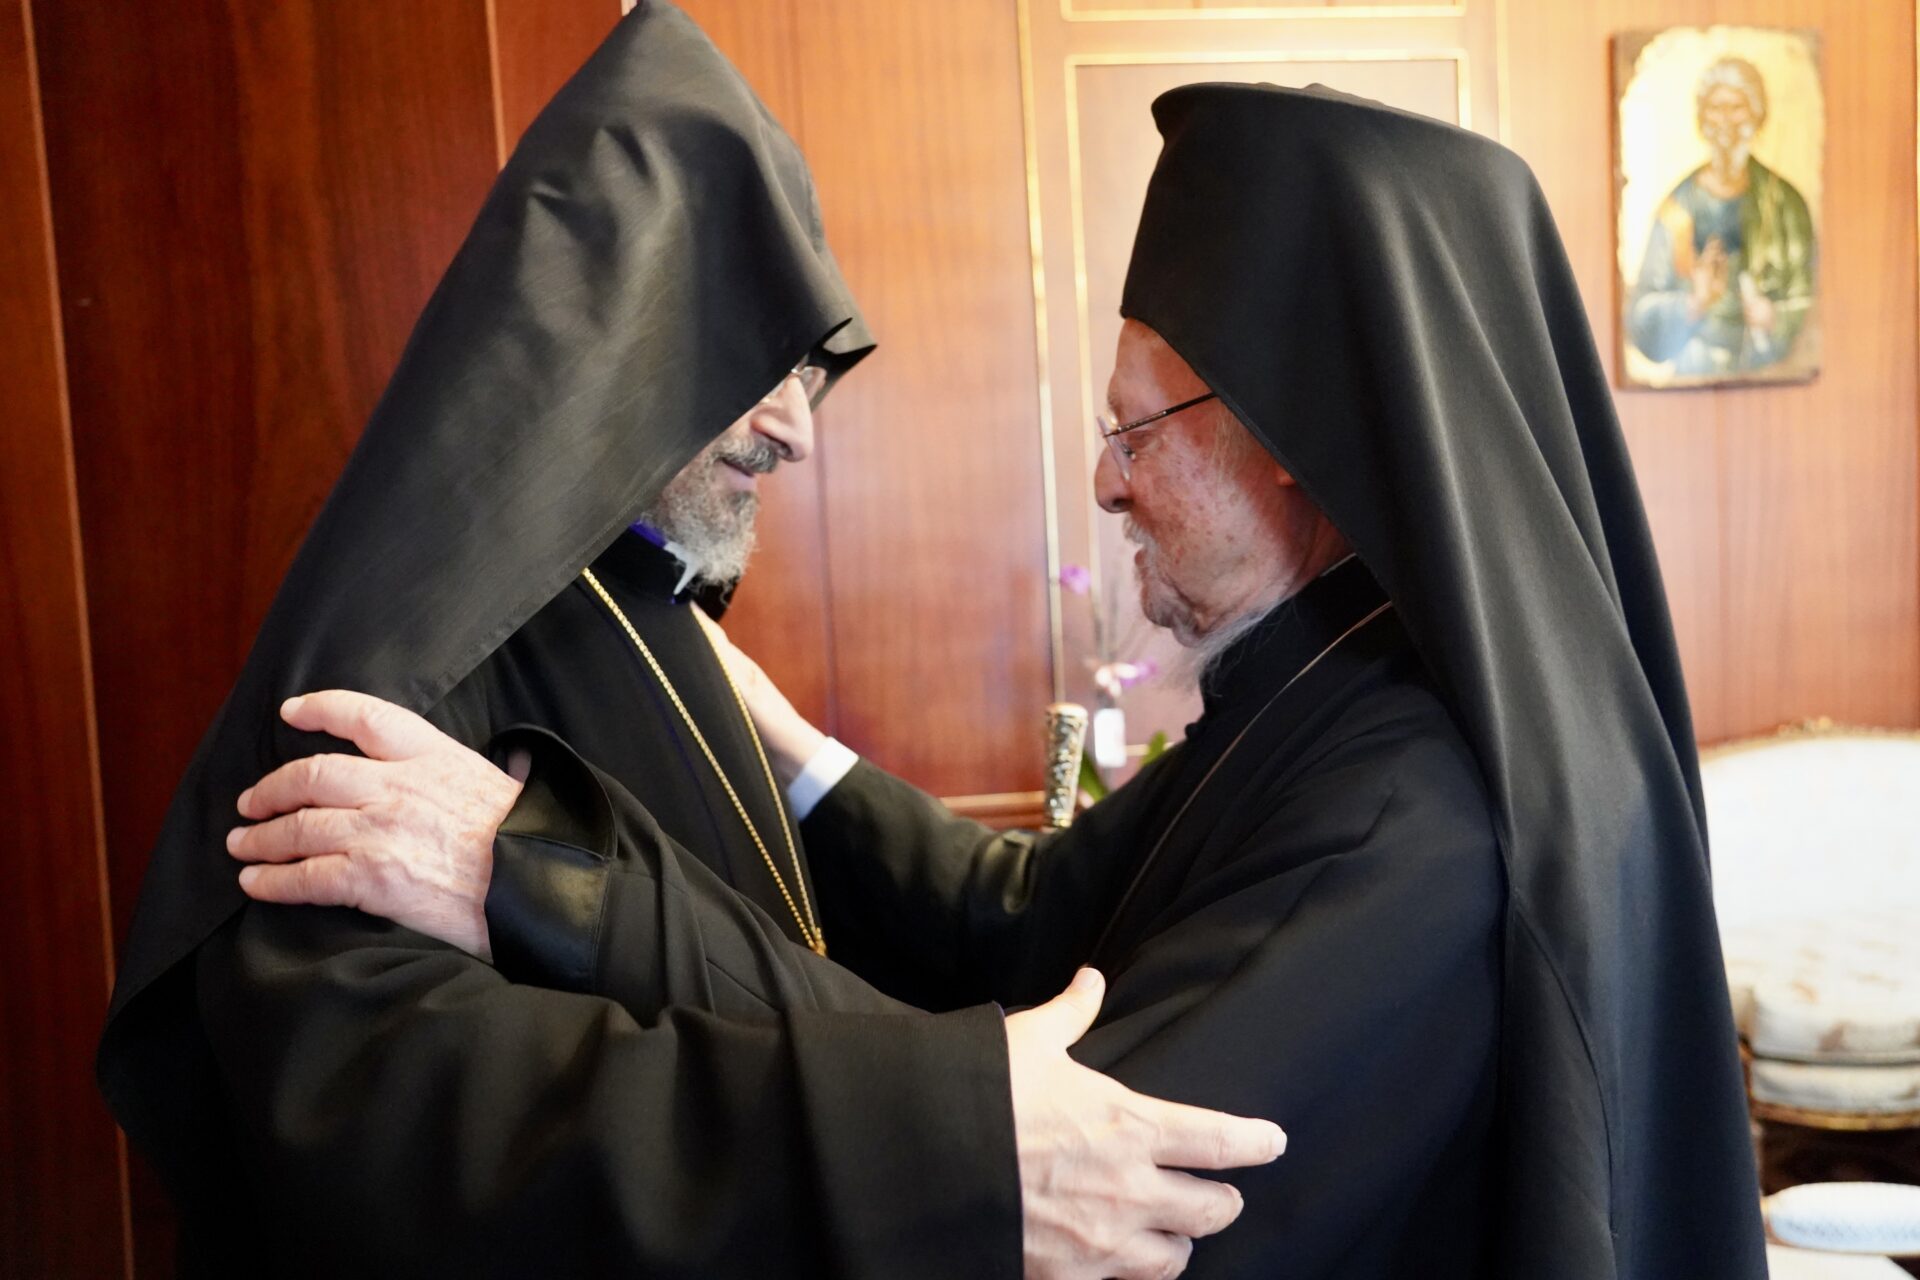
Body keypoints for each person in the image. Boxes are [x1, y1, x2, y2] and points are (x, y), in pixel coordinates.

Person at [227, 83, 1770, 1278]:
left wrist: (546, 874)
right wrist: (793, 750)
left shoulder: (1406, 809)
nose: (1106, 483)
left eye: (1135, 430)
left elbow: (1065, 1155)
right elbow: (1034, 921)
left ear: (1300, 435)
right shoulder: (1333, 688)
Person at [94, 7, 1281, 1277]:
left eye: (809, 376)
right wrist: (930, 1138)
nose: (799, 430)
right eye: (759, 366)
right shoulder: (408, 649)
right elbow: (390, 1104)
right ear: (618, 339)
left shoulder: (652, 606)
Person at [1626, 55, 1817, 377]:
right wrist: (1695, 302)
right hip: (1692, 374)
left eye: (1737, 107)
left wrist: (1774, 317)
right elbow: (1642, 317)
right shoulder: (1676, 208)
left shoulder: (1785, 204)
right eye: (1716, 107)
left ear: (1757, 115)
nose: (1726, 120)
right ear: (1702, 118)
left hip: (1769, 378)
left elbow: (1814, 303)